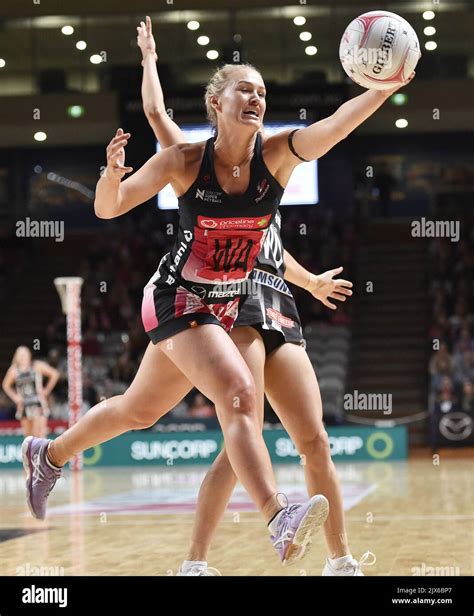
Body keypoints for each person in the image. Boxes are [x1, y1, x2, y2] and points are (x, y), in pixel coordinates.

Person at [22, 16, 413, 570]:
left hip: (227, 301)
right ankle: (278, 517)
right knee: (237, 394)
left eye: (261, 91)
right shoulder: (183, 160)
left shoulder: (277, 156)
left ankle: (48, 454)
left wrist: (382, 88)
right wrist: (111, 177)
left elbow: (334, 126)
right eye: (243, 89)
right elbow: (109, 208)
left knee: (139, 411)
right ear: (216, 103)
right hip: (176, 295)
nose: (255, 97)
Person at [2, 346, 59, 438]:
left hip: (38, 403)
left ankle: (42, 452)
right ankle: (30, 452)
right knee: (28, 437)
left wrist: (46, 391)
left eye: (24, 354)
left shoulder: (36, 365)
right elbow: (5, 385)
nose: (23, 357)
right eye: (20, 355)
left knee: (40, 434)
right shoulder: (14, 370)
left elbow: (55, 374)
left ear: (29, 355)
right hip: (24, 405)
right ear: (16, 357)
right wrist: (15, 397)